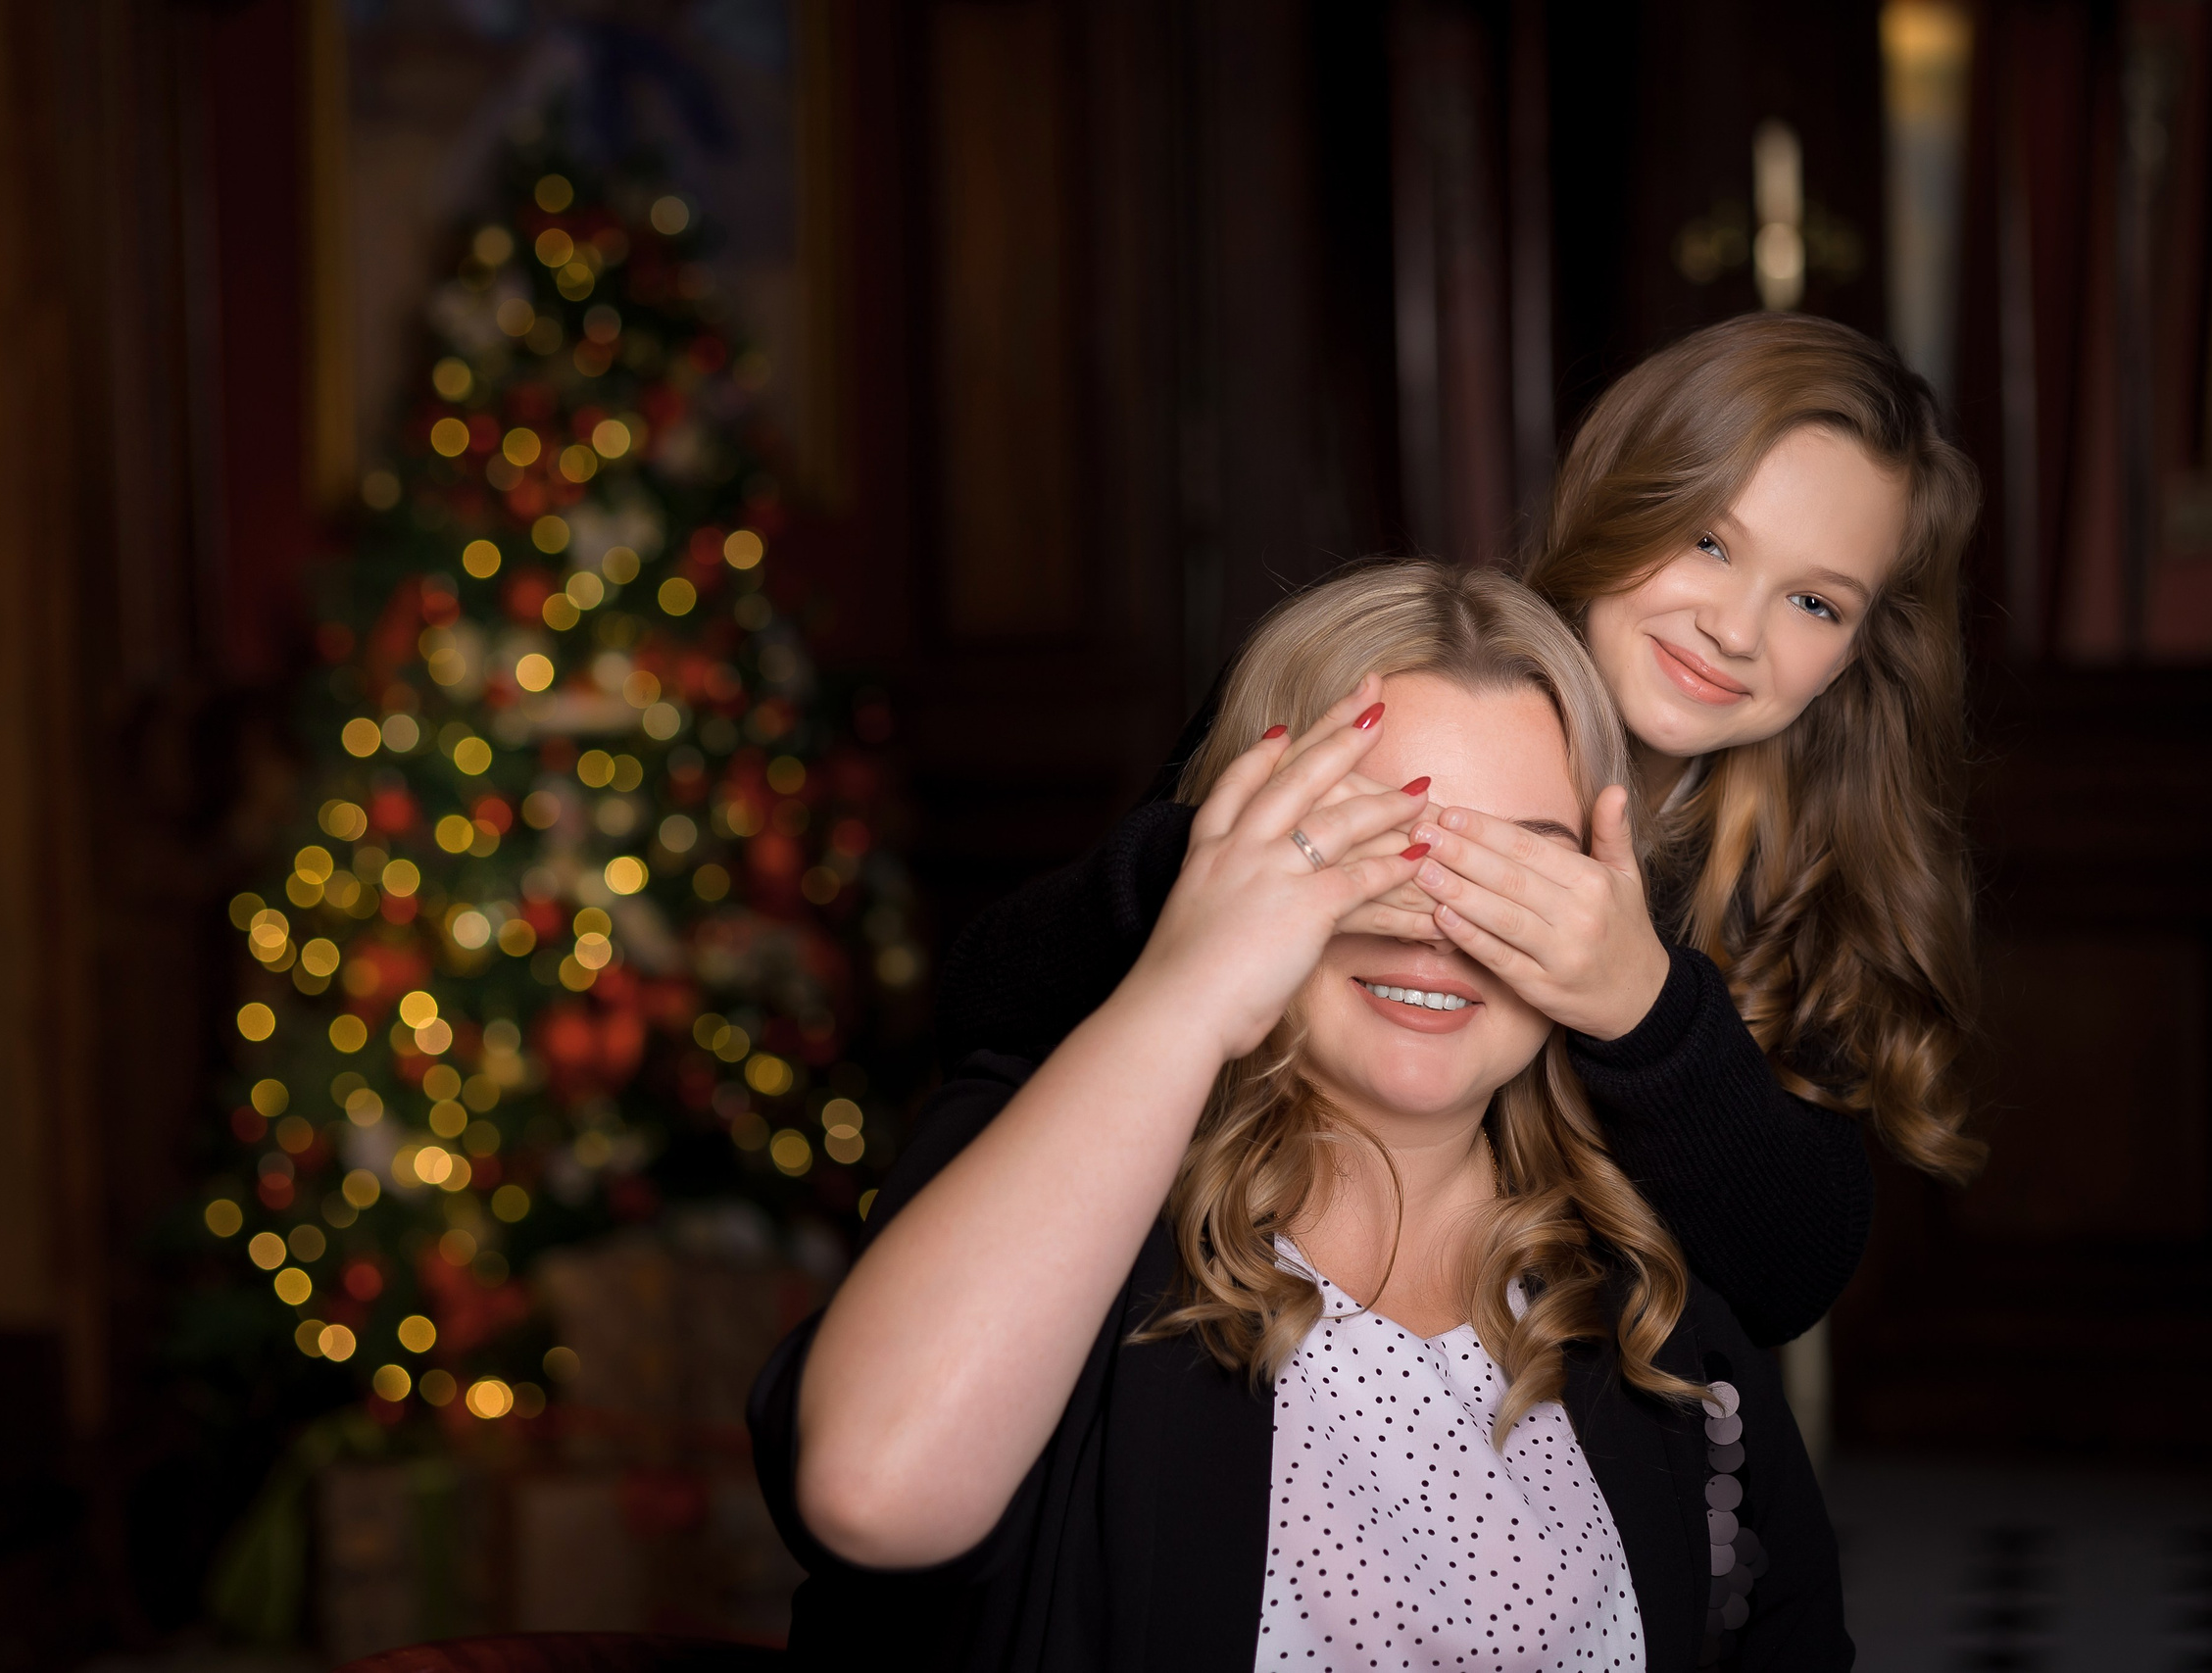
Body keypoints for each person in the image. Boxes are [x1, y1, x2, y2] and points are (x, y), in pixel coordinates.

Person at [752, 564, 1846, 1671]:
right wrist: (1190, 982)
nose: (1435, 924)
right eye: (1369, 842)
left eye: (1515, 869)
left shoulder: (1652, 1281)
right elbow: (871, 1493)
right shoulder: (1060, 1161)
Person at [931, 313, 1985, 1352]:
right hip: (1232, 1320)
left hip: (1561, 1390)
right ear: (1619, 500)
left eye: (1813, 603)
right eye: (1707, 542)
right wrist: (1214, 870)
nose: (1735, 628)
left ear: (1857, 650)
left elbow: (1792, 1276)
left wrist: (1646, 1009)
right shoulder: (1375, 680)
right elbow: (987, 1008)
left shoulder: (1809, 874)